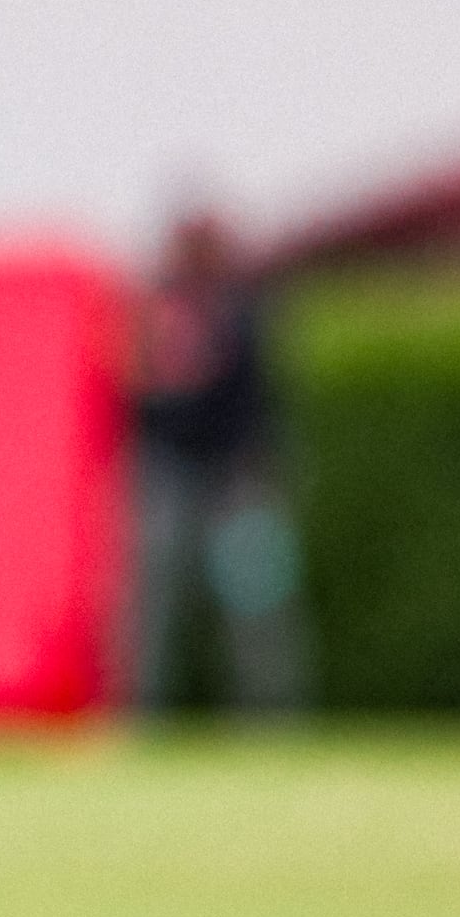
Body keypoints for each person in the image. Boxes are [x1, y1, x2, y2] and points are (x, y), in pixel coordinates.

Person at [126, 208, 307, 714]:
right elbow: (137, 397)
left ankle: (270, 715)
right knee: (153, 598)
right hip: (170, 470)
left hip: (236, 475)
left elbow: (262, 399)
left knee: (257, 603)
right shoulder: (157, 310)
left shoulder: (244, 309)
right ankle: (139, 712)